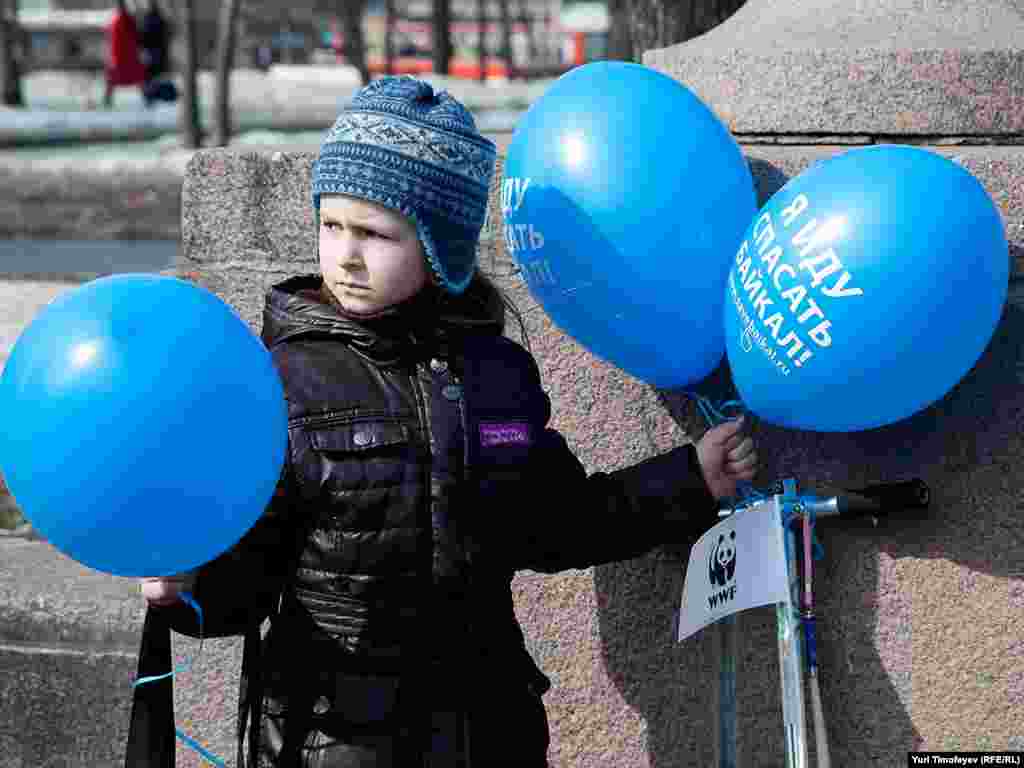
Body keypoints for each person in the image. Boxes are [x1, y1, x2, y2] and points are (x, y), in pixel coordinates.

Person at [125, 76, 758, 768]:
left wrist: (688, 481)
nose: (345, 255)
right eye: (330, 225)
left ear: (439, 246)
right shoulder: (284, 380)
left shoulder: (496, 373)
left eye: (374, 233)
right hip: (332, 738)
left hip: (488, 727)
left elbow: (555, 522)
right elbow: (250, 577)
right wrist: (189, 585)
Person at [103, 0, 146, 108]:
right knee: (113, 80)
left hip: (126, 56)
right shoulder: (118, 20)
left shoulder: (122, 20)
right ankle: (107, 101)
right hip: (121, 56)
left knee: (137, 78)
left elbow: (135, 36)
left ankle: (147, 98)